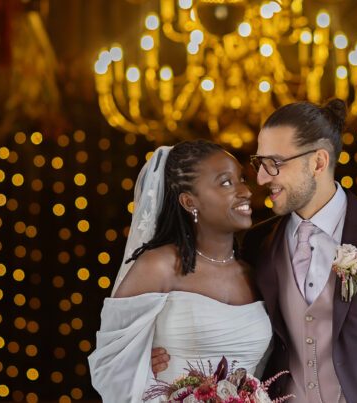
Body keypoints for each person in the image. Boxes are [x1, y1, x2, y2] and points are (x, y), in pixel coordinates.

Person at [153, 99, 357, 402]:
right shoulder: (255, 243)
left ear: (318, 162)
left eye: (274, 164)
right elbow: (232, 327)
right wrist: (163, 353)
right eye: (260, 163)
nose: (261, 178)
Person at [88, 140, 272, 403]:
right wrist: (142, 368)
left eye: (241, 179)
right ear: (189, 201)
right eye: (226, 182)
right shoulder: (159, 266)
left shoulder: (255, 272)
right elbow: (112, 366)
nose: (244, 190)